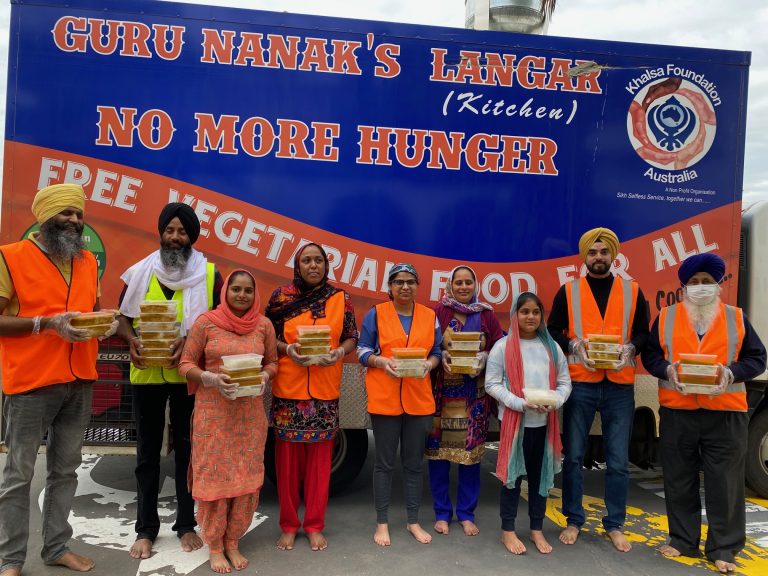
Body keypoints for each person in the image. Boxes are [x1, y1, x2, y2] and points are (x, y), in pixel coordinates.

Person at [0, 183, 117, 575]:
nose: (74, 220)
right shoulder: (11, 257)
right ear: (45, 216)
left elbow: (92, 311)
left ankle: (56, 547)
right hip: (31, 384)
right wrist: (45, 324)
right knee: (18, 476)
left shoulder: (87, 262)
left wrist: (105, 324)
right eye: (66, 213)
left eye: (79, 214)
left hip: (79, 380)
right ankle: (11, 560)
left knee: (65, 471)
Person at [641, 253, 766, 574]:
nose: (700, 288)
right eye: (693, 283)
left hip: (725, 413)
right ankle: (683, 540)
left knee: (725, 483)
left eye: (706, 282)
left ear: (718, 285)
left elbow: (757, 358)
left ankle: (724, 548)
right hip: (678, 412)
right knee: (679, 478)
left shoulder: (736, 317)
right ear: (684, 287)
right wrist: (667, 370)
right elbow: (651, 355)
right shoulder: (667, 316)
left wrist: (731, 373)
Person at [116, 202, 223, 559]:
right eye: (169, 230)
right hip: (146, 374)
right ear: (161, 233)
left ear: (193, 236)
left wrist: (191, 342)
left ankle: (185, 525)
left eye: (182, 231)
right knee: (146, 453)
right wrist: (131, 340)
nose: (175, 237)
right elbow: (122, 318)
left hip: (186, 377)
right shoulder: (140, 272)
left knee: (188, 453)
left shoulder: (209, 275)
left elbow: (218, 324)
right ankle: (145, 529)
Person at [547, 227, 649, 552]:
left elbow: (644, 333)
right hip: (581, 384)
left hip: (619, 386)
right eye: (593, 252)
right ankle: (574, 520)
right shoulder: (569, 291)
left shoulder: (633, 291)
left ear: (613, 256)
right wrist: (574, 343)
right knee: (574, 457)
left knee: (618, 460)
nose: (599, 258)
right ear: (584, 257)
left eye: (604, 252)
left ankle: (615, 524)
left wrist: (631, 349)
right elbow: (552, 330)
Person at [179, 269, 278, 574]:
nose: (242, 295)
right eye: (236, 289)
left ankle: (233, 541)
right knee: (215, 481)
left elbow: (273, 362)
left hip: (249, 417)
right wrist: (210, 378)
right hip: (214, 415)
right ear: (226, 291)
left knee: (245, 481)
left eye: (248, 290)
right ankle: (215, 546)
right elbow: (185, 364)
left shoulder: (263, 325)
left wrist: (264, 375)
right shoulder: (206, 323)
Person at [264, 243, 359, 552]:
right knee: (287, 463)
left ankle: (315, 524)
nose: (313, 265)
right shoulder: (281, 297)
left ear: (326, 265)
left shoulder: (339, 298)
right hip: (289, 389)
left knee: (320, 463)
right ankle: (289, 525)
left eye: (318, 260)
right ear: (298, 265)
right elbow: (268, 336)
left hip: (324, 388)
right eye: (307, 260)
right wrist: (286, 349)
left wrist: (338, 352)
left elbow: (351, 336)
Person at [357, 263, 442, 546]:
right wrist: (381, 361)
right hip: (385, 399)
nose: (405, 287)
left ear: (418, 286)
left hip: (419, 400)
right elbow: (362, 350)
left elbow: (437, 352)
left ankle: (413, 521)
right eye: (398, 282)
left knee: (414, 464)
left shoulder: (430, 316)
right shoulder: (376, 314)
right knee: (383, 463)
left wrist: (429, 365)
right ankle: (382, 523)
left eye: (410, 282)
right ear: (390, 288)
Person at [486, 292, 571, 555]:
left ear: (541, 315)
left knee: (540, 478)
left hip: (545, 423)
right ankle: (507, 531)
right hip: (515, 423)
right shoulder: (503, 346)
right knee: (512, 479)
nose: (530, 317)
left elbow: (565, 382)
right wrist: (519, 403)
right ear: (515, 315)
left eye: (535, 312)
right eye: (525, 312)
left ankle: (536, 528)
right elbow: (492, 383)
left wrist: (556, 401)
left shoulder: (551, 346)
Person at [426, 265, 503, 536]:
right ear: (449, 286)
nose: (463, 287)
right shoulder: (438, 312)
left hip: (474, 399)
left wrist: (485, 357)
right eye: (458, 282)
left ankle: (467, 513)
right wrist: (441, 355)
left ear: (475, 285)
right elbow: (429, 343)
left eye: (468, 282)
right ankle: (442, 513)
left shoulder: (486, 314)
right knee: (439, 457)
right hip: (443, 395)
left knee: (470, 458)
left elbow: (500, 344)